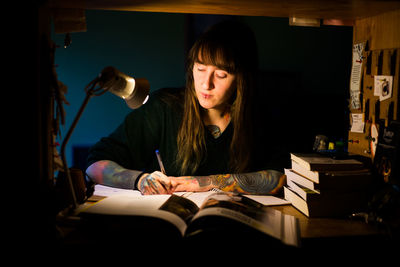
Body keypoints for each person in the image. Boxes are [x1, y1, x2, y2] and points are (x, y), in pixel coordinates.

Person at [86, 20, 287, 195]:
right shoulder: (163, 107)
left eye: (221, 75)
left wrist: (199, 183)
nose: (205, 84)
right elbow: (95, 165)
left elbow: (279, 177)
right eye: (200, 69)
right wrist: (140, 180)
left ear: (242, 79)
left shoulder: (260, 117)